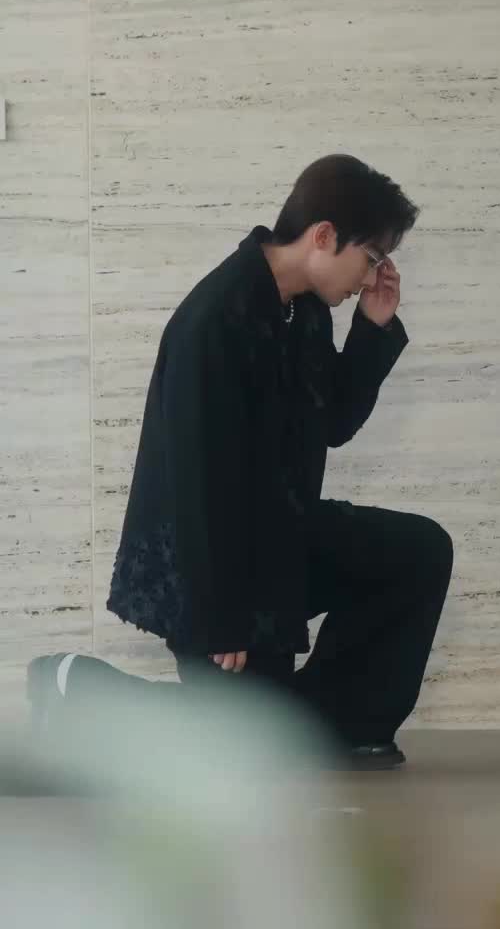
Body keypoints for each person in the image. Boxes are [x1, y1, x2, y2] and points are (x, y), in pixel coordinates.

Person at [29, 155, 453, 769]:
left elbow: (332, 422)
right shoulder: (214, 322)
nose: (370, 277)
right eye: (370, 258)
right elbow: (196, 486)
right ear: (324, 236)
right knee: (250, 748)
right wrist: (221, 619)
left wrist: (371, 328)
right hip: (208, 566)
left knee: (418, 551)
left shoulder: (302, 306)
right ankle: (78, 688)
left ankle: (349, 725)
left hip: (276, 540)